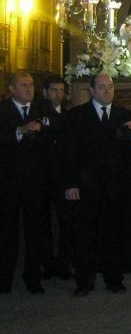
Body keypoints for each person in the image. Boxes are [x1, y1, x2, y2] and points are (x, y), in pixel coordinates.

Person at [64, 74, 131, 296]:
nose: (107, 91)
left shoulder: (123, 114)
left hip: (115, 187)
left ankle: (114, 278)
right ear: (92, 91)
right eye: (102, 87)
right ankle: (84, 281)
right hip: (86, 186)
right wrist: (71, 184)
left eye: (110, 87)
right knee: (84, 236)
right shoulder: (77, 115)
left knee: (114, 235)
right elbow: (69, 154)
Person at [0, 72, 49, 294]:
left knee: (35, 231)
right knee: (7, 232)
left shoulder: (40, 108)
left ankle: (33, 277)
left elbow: (57, 125)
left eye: (31, 85)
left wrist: (42, 125)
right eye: (23, 85)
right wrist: (19, 132)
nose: (29, 89)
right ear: (11, 89)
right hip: (8, 182)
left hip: (35, 182)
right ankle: (4, 277)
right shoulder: (2, 110)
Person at [39, 75, 73, 280]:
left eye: (61, 91)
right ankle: (47, 262)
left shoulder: (69, 115)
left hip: (62, 176)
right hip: (42, 176)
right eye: (54, 90)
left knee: (66, 222)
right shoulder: (36, 112)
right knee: (43, 223)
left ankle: (63, 262)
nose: (58, 95)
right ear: (45, 92)